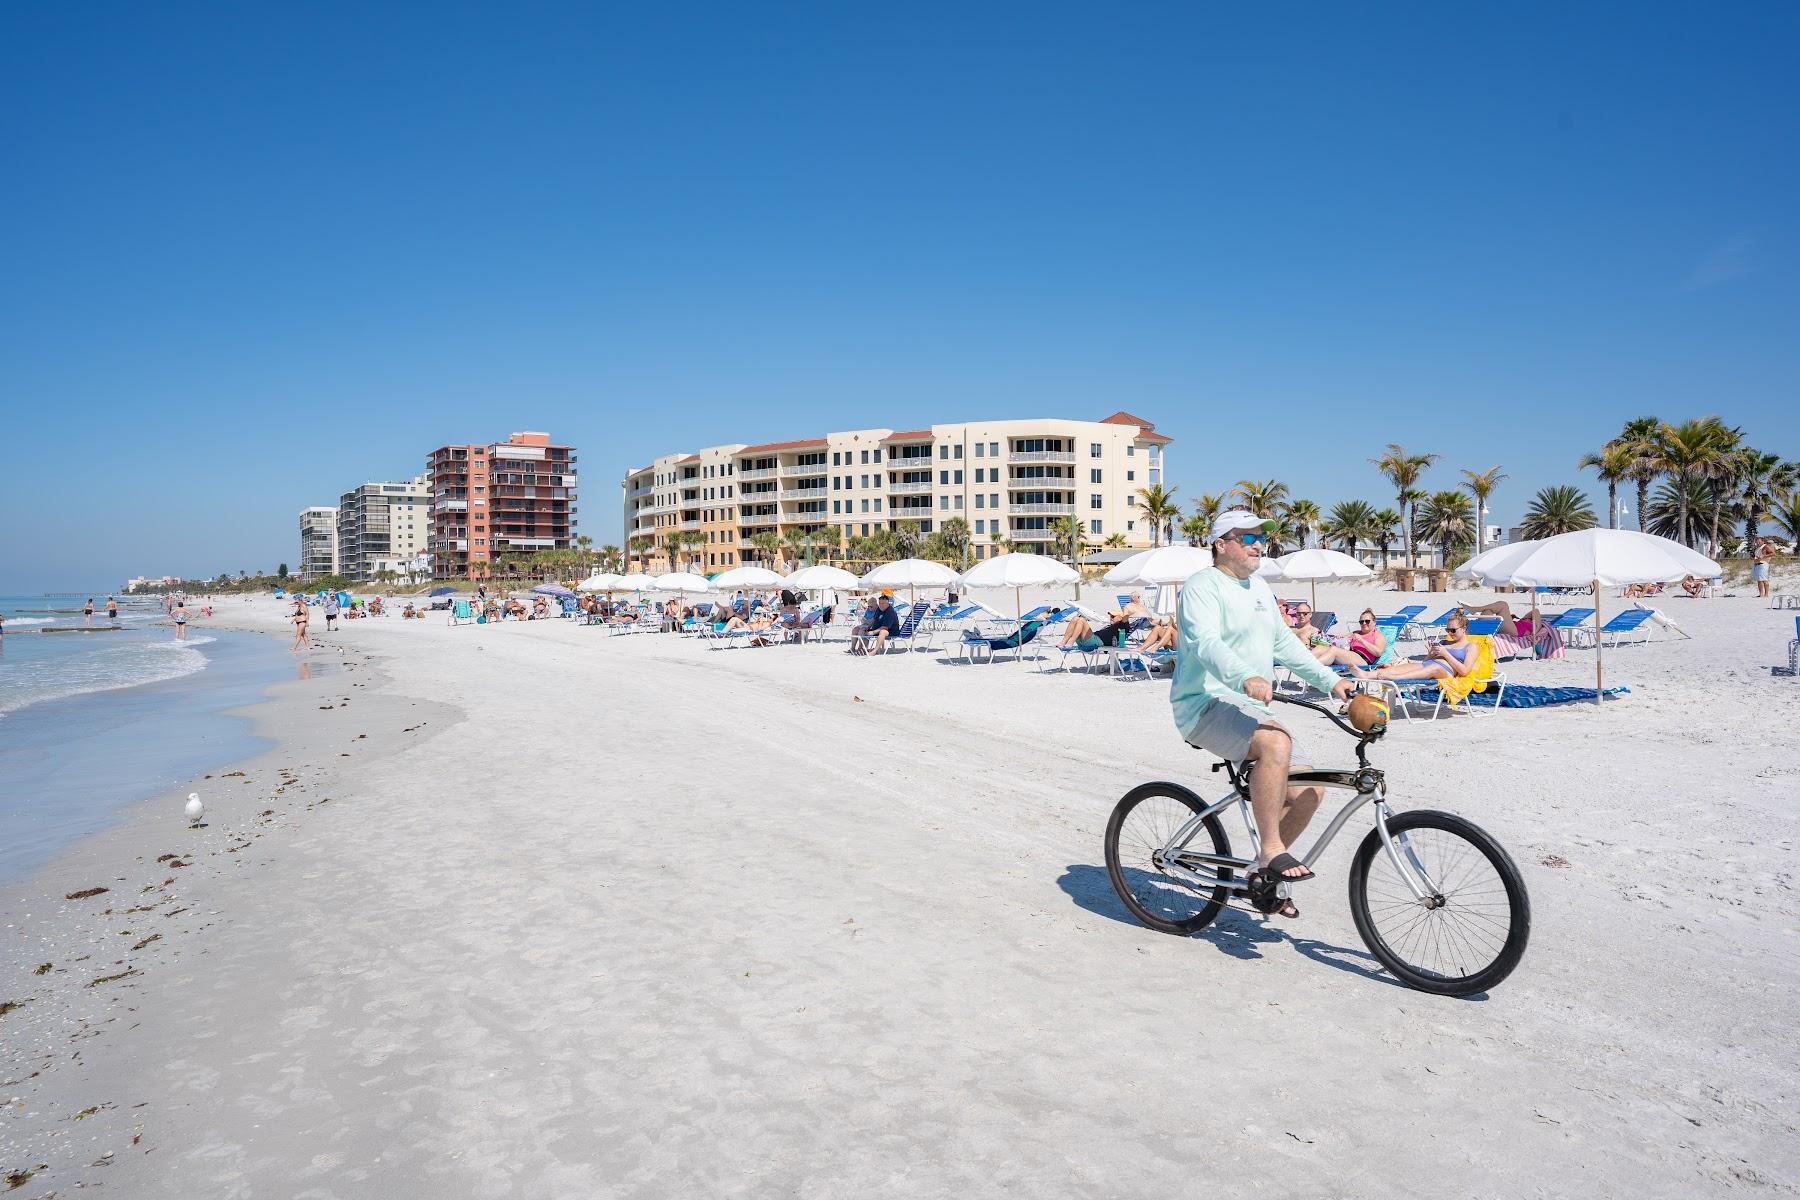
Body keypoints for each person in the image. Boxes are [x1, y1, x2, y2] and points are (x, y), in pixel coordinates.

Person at [1170, 510, 1354, 919]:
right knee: (1276, 742)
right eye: (1247, 537)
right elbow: (1205, 643)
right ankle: (1273, 849)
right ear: (1221, 543)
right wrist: (1246, 675)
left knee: (1310, 789)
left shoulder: (1258, 587)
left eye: (1261, 538)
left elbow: (1284, 645)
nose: (1258, 544)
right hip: (1204, 703)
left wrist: (1332, 681)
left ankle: (1260, 876)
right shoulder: (1202, 586)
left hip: (1250, 706)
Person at [1365, 612, 1480, 682]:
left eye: (1453, 630)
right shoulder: (1444, 642)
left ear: (1464, 629)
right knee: (1397, 668)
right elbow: (1426, 663)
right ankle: (1366, 675)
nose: (1450, 633)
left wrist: (1445, 654)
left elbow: (1464, 671)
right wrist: (1430, 654)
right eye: (1448, 630)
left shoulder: (1471, 646)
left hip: (1446, 673)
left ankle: (1396, 678)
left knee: (1434, 668)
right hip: (1427, 665)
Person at [1058, 591, 1154, 650]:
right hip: (1088, 639)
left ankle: (1070, 643)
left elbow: (1126, 616)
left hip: (1096, 642)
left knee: (1081, 620)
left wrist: (1133, 605)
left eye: (1113, 616)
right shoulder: (1111, 625)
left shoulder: (1123, 625)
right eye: (1110, 616)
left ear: (1120, 617)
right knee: (1075, 618)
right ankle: (1064, 642)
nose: (1111, 618)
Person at [1311, 608, 1386, 669]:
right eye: (1361, 622)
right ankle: (1304, 662)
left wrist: (1362, 641)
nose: (1364, 623)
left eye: (1367, 621)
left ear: (1374, 622)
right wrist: (1339, 637)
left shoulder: (1378, 635)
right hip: (1348, 655)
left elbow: (1378, 652)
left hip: (1363, 661)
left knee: (1334, 650)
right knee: (1321, 647)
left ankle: (1311, 666)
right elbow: (1343, 638)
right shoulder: (1356, 632)